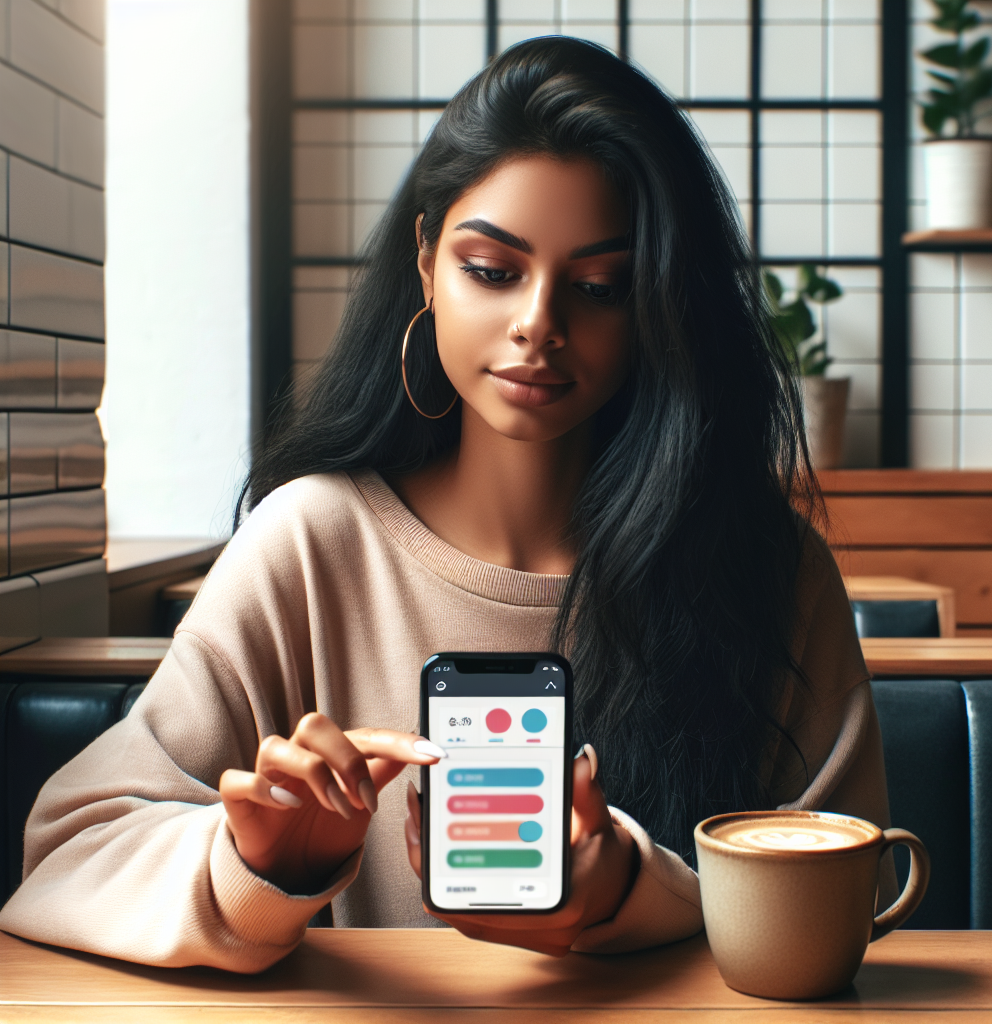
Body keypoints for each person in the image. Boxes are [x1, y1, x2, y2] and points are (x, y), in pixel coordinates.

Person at [0, 37, 894, 971]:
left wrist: (633, 890)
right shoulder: (311, 543)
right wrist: (258, 869)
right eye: (494, 270)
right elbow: (65, 856)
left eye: (599, 287)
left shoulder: (767, 567)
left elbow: (853, 895)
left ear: (660, 307)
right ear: (427, 260)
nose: (538, 323)